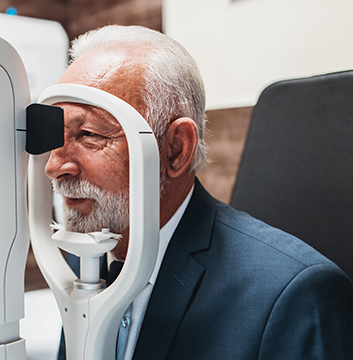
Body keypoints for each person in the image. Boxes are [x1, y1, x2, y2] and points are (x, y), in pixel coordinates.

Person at [46, 25, 353, 360]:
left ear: (176, 149)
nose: (55, 166)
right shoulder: (85, 259)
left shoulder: (294, 297)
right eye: (55, 139)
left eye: (89, 133)